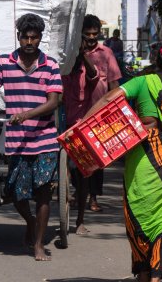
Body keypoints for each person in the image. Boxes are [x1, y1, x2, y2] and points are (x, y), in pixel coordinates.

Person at [77, 41, 162, 282]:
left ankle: (145, 273)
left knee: (140, 217)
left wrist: (82, 125)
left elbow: (107, 100)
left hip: (142, 163)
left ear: (156, 61)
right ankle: (159, 274)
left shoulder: (142, 82)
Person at [0, 13, 62, 262]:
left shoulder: (51, 65)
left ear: (40, 39)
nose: (28, 42)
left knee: (44, 192)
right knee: (16, 193)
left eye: (33, 38)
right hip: (16, 141)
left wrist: (26, 114)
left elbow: (53, 102)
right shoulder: (4, 62)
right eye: (25, 37)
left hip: (45, 139)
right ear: (18, 37)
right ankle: (31, 221)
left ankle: (38, 245)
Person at [62, 14, 122, 234]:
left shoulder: (105, 54)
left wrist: (115, 110)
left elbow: (113, 83)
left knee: (96, 161)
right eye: (86, 36)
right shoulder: (70, 56)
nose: (90, 39)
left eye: (94, 36)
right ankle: (76, 195)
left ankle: (92, 197)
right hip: (72, 115)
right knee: (76, 164)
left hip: (98, 115)